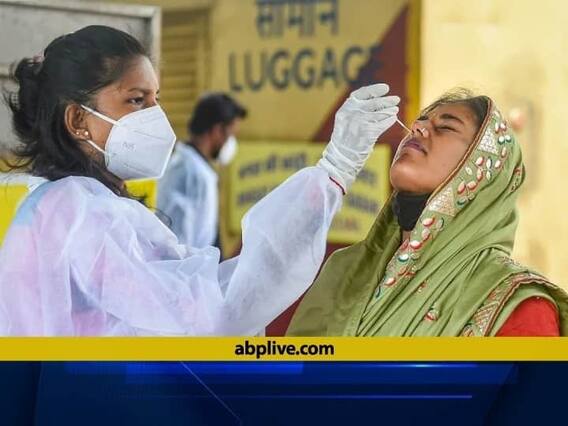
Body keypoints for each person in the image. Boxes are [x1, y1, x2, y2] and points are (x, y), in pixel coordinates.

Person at [0, 25, 400, 336]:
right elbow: (213, 313)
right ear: (77, 119)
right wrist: (336, 168)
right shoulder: (84, 213)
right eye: (136, 100)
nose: (155, 116)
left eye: (156, 99)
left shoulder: (46, 202)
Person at [287, 90, 568, 337]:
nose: (417, 127)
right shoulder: (344, 270)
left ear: (483, 171)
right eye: (420, 121)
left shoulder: (516, 305)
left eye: (445, 126)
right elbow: (296, 374)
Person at [157, 93, 247, 250]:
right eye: (231, 134)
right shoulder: (191, 173)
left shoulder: (195, 167)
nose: (231, 143)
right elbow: (179, 245)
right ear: (217, 131)